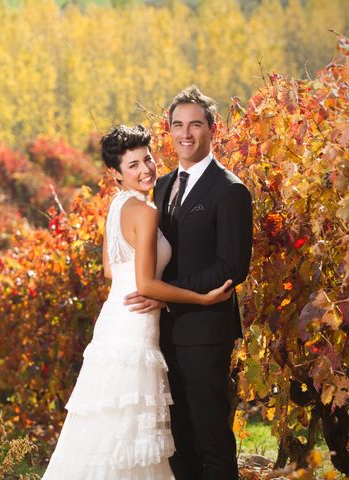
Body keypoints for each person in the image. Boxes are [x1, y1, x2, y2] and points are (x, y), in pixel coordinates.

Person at [42, 124, 234, 479]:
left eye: (148, 158)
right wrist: (201, 298)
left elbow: (110, 271)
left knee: (108, 429)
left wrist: (152, 293)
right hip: (133, 329)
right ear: (115, 174)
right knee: (128, 432)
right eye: (133, 165)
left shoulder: (117, 207)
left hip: (116, 318)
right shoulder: (145, 213)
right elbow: (145, 282)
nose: (146, 169)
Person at [124, 86, 253, 480]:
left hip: (204, 330)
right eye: (178, 124)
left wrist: (167, 295)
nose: (186, 133)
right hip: (159, 332)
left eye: (195, 124)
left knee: (210, 435)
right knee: (175, 439)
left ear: (212, 129)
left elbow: (231, 266)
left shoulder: (230, 190)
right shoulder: (161, 186)